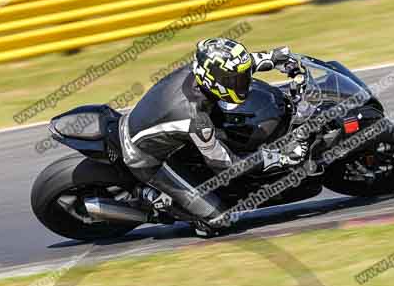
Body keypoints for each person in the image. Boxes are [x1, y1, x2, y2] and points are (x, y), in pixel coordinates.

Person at [119, 37, 308, 237]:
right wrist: (278, 157)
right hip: (145, 158)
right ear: (214, 80)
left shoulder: (201, 72)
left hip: (155, 126)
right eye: (237, 81)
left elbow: (235, 67)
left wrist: (275, 57)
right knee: (219, 220)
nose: (245, 83)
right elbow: (225, 165)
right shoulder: (196, 119)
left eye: (242, 78)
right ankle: (151, 198)